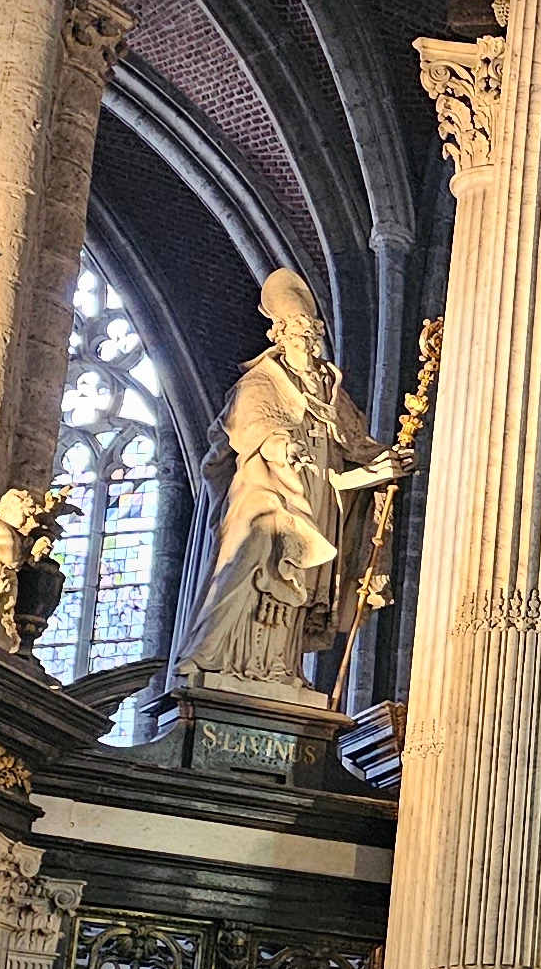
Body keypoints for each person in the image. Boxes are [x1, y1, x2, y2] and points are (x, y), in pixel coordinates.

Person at [175, 271, 411, 694]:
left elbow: (351, 453)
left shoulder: (330, 392)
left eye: (312, 332)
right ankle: (206, 653)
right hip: (267, 493)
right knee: (247, 558)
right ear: (280, 336)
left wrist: (383, 466)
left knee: (297, 585)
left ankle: (279, 669)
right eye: (299, 333)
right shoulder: (261, 382)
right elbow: (249, 425)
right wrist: (280, 445)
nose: (308, 340)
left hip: (318, 500)